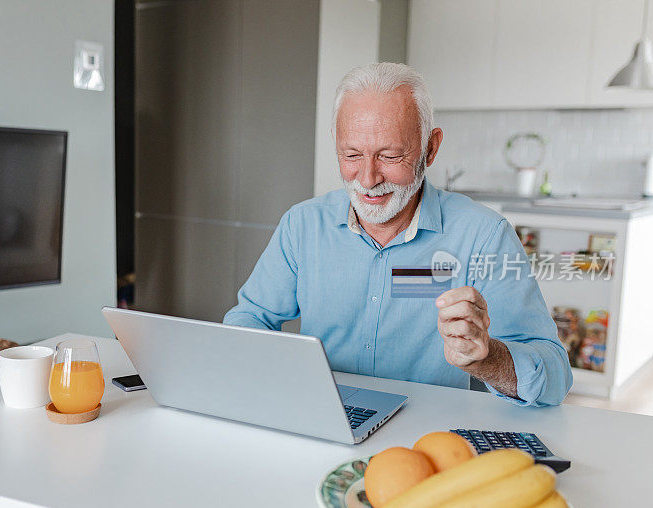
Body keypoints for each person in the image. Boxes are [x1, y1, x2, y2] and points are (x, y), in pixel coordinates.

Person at [223, 62, 572, 407]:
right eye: (352, 155)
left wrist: (487, 359)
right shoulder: (303, 225)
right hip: (323, 419)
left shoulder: (484, 236)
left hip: (431, 438)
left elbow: (555, 377)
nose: (368, 178)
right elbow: (250, 318)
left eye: (390, 155)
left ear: (430, 149)